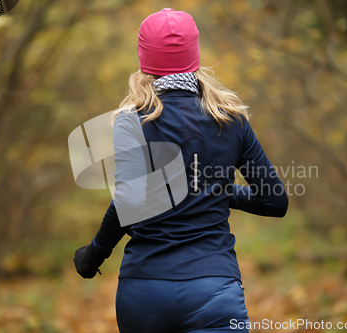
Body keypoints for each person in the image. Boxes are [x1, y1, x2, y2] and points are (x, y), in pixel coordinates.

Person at [74, 8, 288, 333]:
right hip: (214, 290)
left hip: (144, 292)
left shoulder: (132, 122)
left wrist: (93, 256)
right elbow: (275, 202)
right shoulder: (231, 121)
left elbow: (129, 201)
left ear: (144, 60)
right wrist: (218, 189)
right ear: (195, 57)